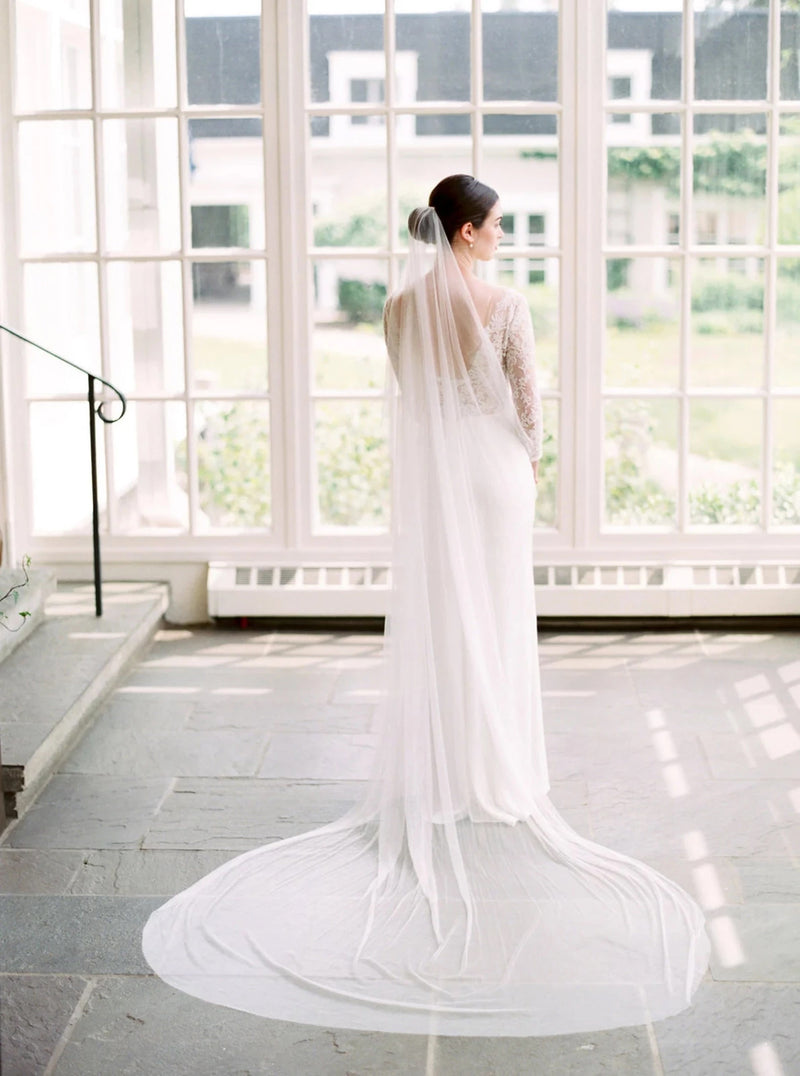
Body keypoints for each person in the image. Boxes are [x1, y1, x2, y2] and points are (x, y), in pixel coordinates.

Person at [142, 175, 709, 1037]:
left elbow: (416, 401)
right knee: (499, 617)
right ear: (469, 231)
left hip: (439, 484)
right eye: (496, 228)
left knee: (447, 619)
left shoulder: (400, 309)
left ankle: (445, 767)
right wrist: (525, 464)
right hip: (494, 475)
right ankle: (500, 768)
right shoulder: (506, 304)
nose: (502, 240)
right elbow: (528, 411)